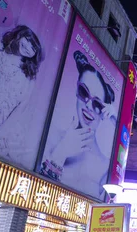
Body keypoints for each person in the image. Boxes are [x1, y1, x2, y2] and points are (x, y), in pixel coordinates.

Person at [39, 50, 117, 196]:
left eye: (97, 104)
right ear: (76, 90)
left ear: (104, 113)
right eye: (83, 92)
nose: (88, 105)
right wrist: (60, 154)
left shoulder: (105, 166)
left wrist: (116, 118)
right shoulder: (50, 136)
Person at [0, 25, 42, 150]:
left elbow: (22, 106)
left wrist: (3, 129)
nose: (28, 48)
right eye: (27, 40)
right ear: (20, 34)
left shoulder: (29, 75)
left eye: (33, 48)